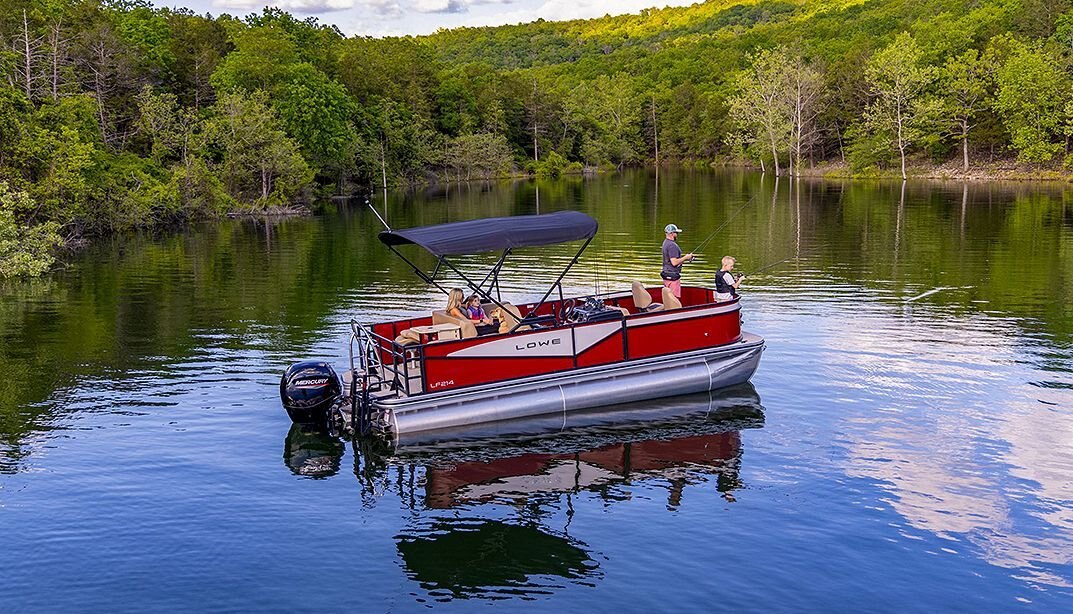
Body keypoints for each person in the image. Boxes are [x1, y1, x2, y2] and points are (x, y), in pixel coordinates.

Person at [661, 223, 695, 299]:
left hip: (666, 273)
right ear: (672, 234)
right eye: (676, 233)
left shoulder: (665, 243)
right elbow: (674, 262)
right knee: (674, 299)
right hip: (673, 276)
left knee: (668, 298)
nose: (677, 234)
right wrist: (686, 257)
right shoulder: (672, 245)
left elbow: (672, 261)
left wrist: (685, 258)